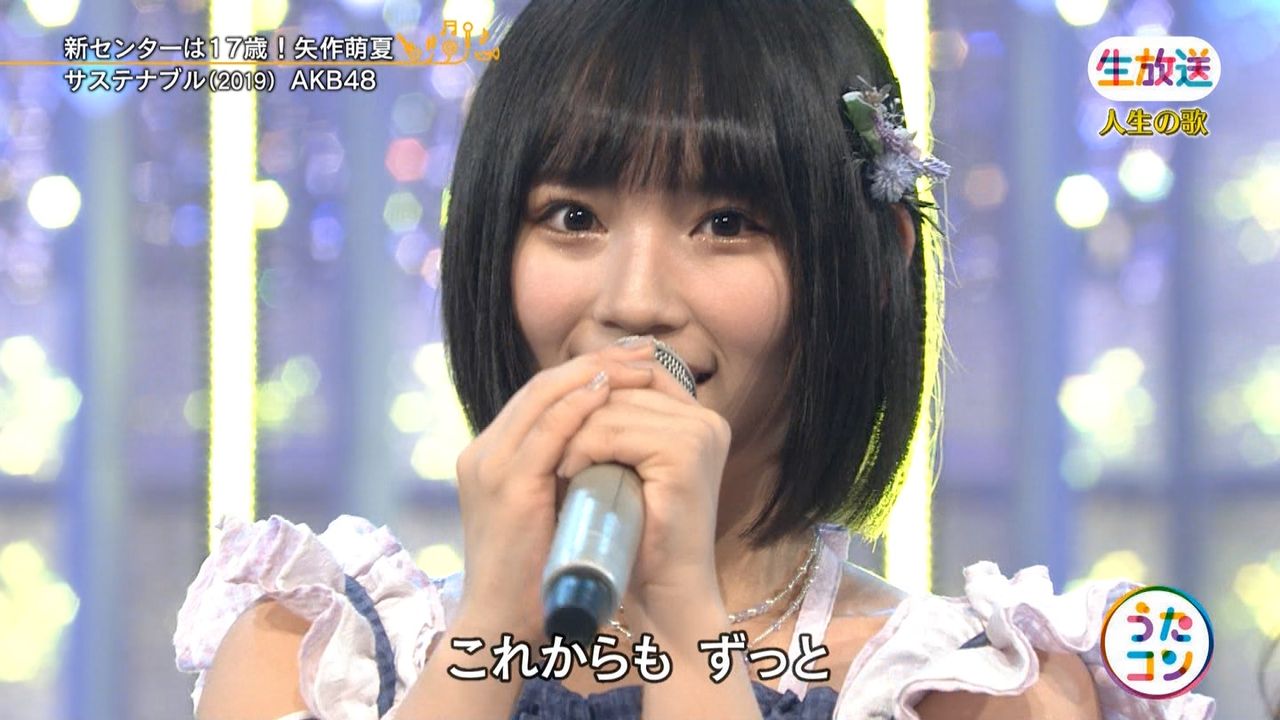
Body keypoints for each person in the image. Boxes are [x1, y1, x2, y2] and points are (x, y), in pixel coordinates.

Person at [174, 1, 1217, 718]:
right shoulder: (311, 653)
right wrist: (488, 624)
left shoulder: (977, 691)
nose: (634, 300)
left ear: (868, 264)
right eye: (572, 216)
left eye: (725, 223)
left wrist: (686, 623)